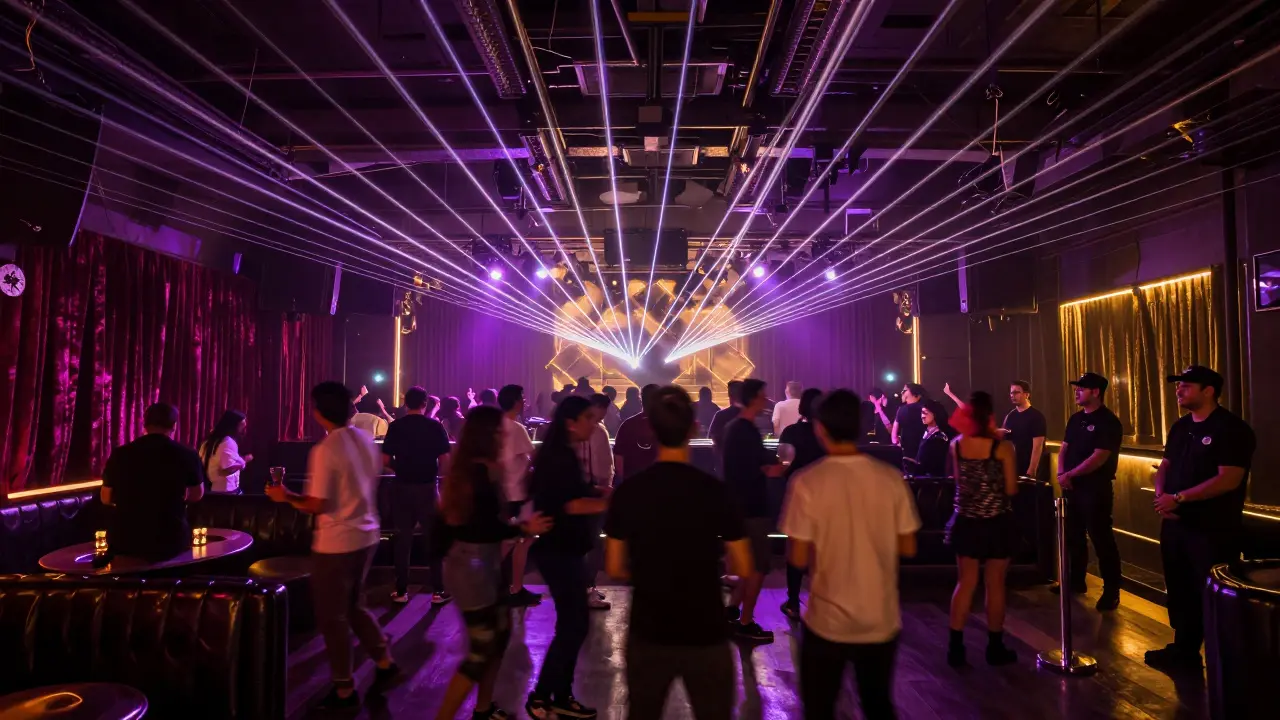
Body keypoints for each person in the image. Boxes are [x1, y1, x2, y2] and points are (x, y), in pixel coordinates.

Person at [604, 386, 752, 720]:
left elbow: (614, 566)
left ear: (652, 430)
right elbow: (742, 564)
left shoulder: (629, 492)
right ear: (694, 428)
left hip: (649, 629)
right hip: (706, 629)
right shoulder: (715, 491)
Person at [780, 389, 921, 720]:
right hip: (880, 617)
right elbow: (909, 546)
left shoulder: (807, 482)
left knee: (819, 708)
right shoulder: (889, 478)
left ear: (819, 427)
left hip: (827, 620)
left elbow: (797, 558)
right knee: (878, 705)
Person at [265, 381, 396, 710]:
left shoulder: (325, 450)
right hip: (368, 534)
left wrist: (286, 496)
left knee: (332, 617)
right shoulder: (366, 440)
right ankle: (385, 662)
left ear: (317, 412)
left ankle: (344, 690)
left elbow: (318, 504)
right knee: (354, 604)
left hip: (337, 541)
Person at [433, 406, 553, 720]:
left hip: (476, 564)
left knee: (496, 642)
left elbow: (458, 526)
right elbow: (480, 527)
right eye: (499, 431)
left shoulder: (470, 469)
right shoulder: (481, 472)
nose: (504, 435)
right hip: (473, 568)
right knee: (481, 650)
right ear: (487, 435)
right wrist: (522, 528)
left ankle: (484, 709)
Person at [1145, 366, 1256, 672]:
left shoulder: (1231, 428)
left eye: (1186, 385)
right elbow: (1165, 466)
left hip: (1211, 528)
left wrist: (1179, 498)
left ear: (1209, 390)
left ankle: (1224, 658)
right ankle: (1185, 648)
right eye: (1178, 385)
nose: (1179, 390)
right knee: (1180, 588)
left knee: (1210, 590)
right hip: (1175, 524)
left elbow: (1228, 479)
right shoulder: (1181, 427)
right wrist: (1161, 497)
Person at [526, 396, 610, 720]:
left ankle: (559, 694)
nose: (594, 423)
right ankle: (541, 695)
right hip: (559, 551)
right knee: (574, 625)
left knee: (573, 625)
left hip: (562, 549)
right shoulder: (560, 457)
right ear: (570, 422)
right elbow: (569, 505)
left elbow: (571, 496)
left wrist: (595, 494)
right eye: (588, 418)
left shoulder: (560, 455)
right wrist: (611, 502)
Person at [944, 391, 1020, 668]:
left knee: (965, 583)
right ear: (990, 415)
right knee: (995, 583)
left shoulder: (956, 445)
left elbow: (956, 480)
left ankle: (955, 648)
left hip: (965, 521)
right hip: (996, 521)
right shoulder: (1002, 448)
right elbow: (1011, 488)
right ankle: (995, 646)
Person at [101, 402, 205, 561]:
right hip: (170, 538)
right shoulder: (187, 454)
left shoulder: (119, 454)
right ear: (174, 426)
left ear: (145, 424)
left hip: (125, 538)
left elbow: (106, 498)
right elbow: (197, 495)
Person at [723, 379, 784, 644]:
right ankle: (745, 623)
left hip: (739, 507)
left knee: (748, 567)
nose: (766, 401)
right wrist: (775, 469)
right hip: (752, 508)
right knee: (758, 567)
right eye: (762, 396)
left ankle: (731, 612)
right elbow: (759, 468)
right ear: (753, 399)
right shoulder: (745, 431)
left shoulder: (735, 428)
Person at [1058, 372, 1124, 611]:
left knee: (1101, 538)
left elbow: (1100, 456)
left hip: (1095, 489)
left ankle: (1111, 590)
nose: (1077, 391)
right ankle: (1076, 580)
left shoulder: (1109, 421)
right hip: (1072, 487)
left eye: (1082, 388)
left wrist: (1071, 474)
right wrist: (1061, 474)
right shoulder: (1075, 419)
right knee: (1073, 536)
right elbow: (1064, 449)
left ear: (1096, 391)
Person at [382, 386, 453, 605]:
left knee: (403, 540)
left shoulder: (396, 426)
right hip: (427, 487)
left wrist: (400, 469)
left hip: (401, 487)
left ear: (405, 404)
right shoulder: (434, 426)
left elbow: (385, 461)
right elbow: (445, 461)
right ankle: (438, 591)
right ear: (425, 404)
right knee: (433, 539)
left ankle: (401, 590)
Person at [778, 387, 826, 620]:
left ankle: (794, 601)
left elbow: (783, 462)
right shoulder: (827, 434)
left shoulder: (791, 432)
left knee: (796, 549)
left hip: (798, 495)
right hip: (827, 496)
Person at [498, 385, 542, 607]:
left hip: (502, 493)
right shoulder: (515, 428)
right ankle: (514, 588)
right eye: (523, 398)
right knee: (521, 540)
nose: (524, 402)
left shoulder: (495, 427)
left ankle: (501, 586)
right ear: (516, 402)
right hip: (516, 493)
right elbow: (534, 457)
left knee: (509, 541)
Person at [580, 393, 616, 610]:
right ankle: (587, 589)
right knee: (592, 543)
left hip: (592, 489)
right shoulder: (596, 430)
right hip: (595, 491)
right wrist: (604, 487)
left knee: (591, 541)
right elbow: (600, 464)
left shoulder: (589, 428)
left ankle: (588, 587)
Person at [1000, 380, 1047, 478]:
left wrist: (1031, 469)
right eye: (1011, 393)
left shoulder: (1036, 416)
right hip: (1012, 467)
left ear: (1026, 395)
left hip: (1028, 468)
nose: (1013, 395)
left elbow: (1037, 446)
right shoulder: (1010, 416)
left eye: (1016, 392)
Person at [613, 384, 660, 482]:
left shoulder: (628, 424)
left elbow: (618, 456)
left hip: (632, 483)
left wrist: (621, 483)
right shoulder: (668, 424)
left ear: (641, 399)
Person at [199, 410, 251, 495]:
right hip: (226, 492)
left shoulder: (208, 442)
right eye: (241, 427)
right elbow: (226, 470)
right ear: (234, 426)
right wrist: (243, 462)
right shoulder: (227, 442)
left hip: (211, 489)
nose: (243, 431)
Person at [906, 400, 950, 477]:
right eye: (921, 413)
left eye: (925, 413)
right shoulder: (924, 432)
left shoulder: (940, 437)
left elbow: (935, 465)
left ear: (935, 414)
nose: (922, 416)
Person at [708, 380, 744, 463]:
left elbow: (712, 437)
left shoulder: (720, 415)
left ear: (730, 396)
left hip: (724, 463)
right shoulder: (751, 414)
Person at [892, 383, 927, 460]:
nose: (902, 393)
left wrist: (896, 443)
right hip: (924, 449)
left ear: (915, 394)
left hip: (907, 451)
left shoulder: (901, 409)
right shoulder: (926, 407)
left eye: (904, 390)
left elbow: (894, 435)